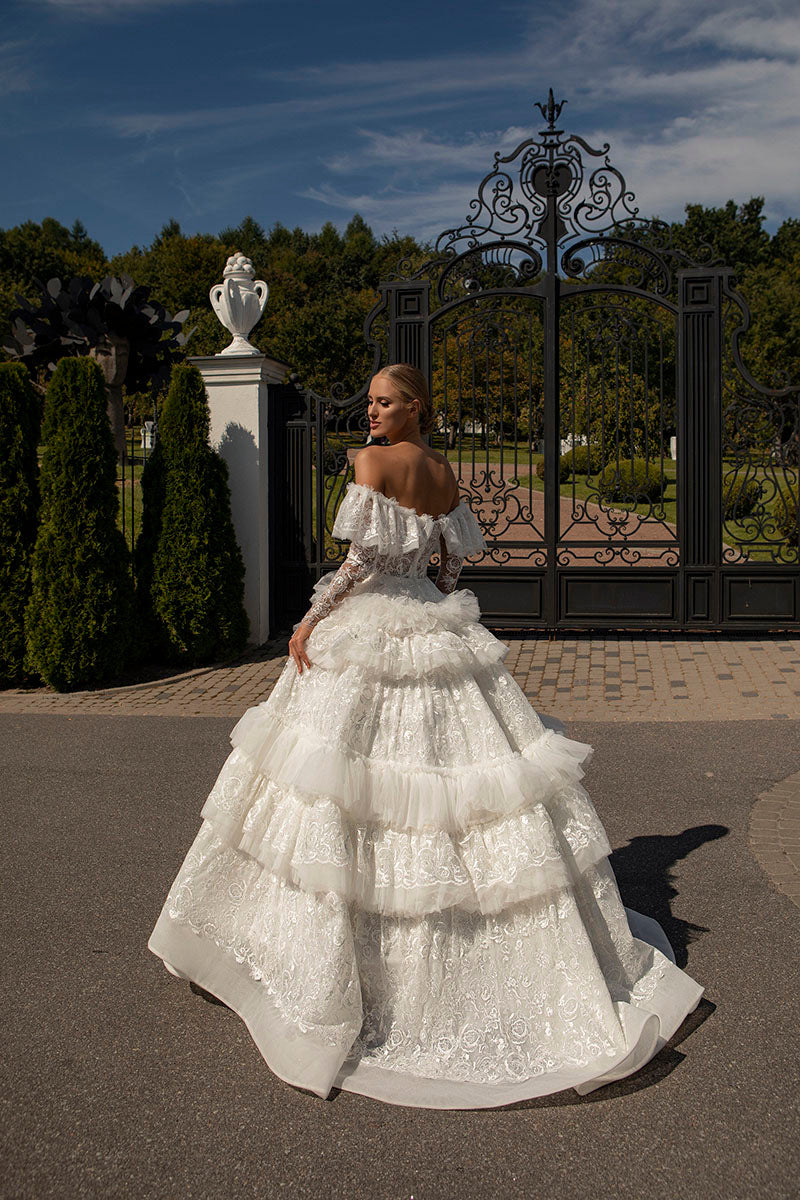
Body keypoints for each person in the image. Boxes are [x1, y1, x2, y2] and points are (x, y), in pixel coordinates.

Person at [148, 362, 703, 1109]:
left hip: (373, 615)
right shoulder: (442, 471)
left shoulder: (372, 462)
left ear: (415, 408)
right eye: (369, 398)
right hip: (430, 619)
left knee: (342, 787)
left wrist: (313, 617)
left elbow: (361, 560)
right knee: (446, 782)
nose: (371, 410)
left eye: (384, 401)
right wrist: (435, 611)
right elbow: (448, 567)